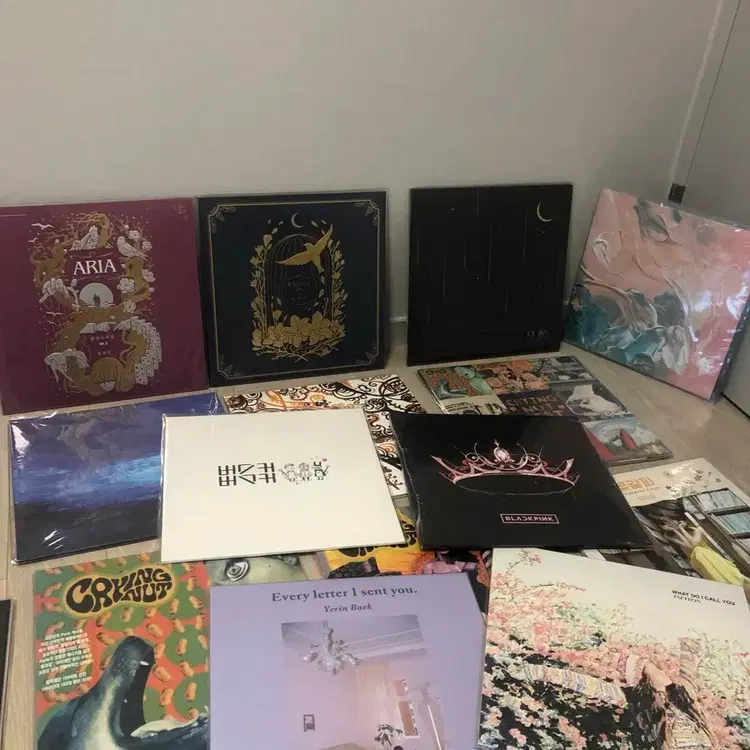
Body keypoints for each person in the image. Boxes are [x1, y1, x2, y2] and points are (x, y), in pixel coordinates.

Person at [664, 520, 750, 587]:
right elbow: (688, 546)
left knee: (732, 575)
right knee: (716, 579)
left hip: (709, 556)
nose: (670, 524)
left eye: (671, 521)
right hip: (698, 561)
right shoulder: (672, 536)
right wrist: (676, 532)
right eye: (667, 523)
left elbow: (694, 544)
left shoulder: (697, 530)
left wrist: (681, 529)